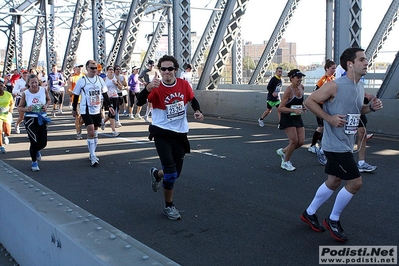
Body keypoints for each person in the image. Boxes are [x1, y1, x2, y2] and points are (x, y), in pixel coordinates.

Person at [300, 47, 383, 242]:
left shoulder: (359, 85)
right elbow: (310, 101)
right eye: (362, 59)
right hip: (334, 145)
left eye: (366, 59)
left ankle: (309, 213)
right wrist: (329, 118)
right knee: (355, 183)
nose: (366, 62)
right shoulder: (335, 85)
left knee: (333, 181)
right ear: (350, 64)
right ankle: (333, 219)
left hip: (346, 143)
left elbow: (357, 109)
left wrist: (370, 107)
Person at [137, 54, 204, 221]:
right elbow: (138, 102)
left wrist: (197, 111)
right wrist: (147, 89)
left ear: (176, 70)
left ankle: (156, 174)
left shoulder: (183, 84)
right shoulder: (155, 86)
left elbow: (192, 99)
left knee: (174, 173)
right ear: (160, 70)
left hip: (180, 134)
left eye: (170, 69)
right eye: (163, 69)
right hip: (161, 132)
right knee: (172, 174)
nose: (167, 72)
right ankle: (169, 206)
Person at [72, 60, 115, 166]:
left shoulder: (100, 80)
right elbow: (76, 95)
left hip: (97, 109)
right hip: (86, 109)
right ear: (87, 68)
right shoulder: (82, 81)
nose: (94, 70)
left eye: (96, 68)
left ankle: (92, 153)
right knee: (90, 131)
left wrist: (109, 106)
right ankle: (93, 156)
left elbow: (105, 94)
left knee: (95, 132)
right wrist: (74, 109)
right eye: (92, 68)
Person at [17, 74, 52, 171]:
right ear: (28, 83)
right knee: (34, 141)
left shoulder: (43, 90)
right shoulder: (26, 93)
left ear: (38, 82)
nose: (34, 84)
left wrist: (46, 105)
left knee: (43, 142)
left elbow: (49, 100)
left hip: (41, 118)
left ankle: (36, 151)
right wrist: (26, 109)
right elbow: (19, 107)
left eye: (36, 82)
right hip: (30, 119)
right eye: (32, 83)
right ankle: (34, 162)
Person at [276, 69, 306, 171]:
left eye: (301, 78)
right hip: (287, 117)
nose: (300, 80)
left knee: (301, 142)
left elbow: (300, 102)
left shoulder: (302, 88)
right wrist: (293, 110)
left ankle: (283, 151)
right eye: (298, 78)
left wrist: (303, 107)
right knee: (294, 141)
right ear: (291, 78)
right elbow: (281, 108)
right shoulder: (288, 91)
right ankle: (285, 162)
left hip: (297, 116)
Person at [308, 59, 336, 154]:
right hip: (319, 106)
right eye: (332, 68)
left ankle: (323, 144)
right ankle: (312, 145)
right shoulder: (322, 80)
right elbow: (314, 93)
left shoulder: (333, 79)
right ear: (327, 69)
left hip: (327, 106)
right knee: (321, 126)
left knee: (327, 126)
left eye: (335, 68)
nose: (334, 70)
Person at [102, 65, 122, 136]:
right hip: (108, 98)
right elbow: (102, 89)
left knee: (111, 113)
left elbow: (121, 87)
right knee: (112, 114)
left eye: (112, 70)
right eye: (110, 70)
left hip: (115, 97)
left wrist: (116, 84)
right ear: (107, 71)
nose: (111, 71)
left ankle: (103, 122)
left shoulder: (116, 78)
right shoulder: (104, 79)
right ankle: (114, 131)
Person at [67, 63, 84, 140]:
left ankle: (79, 126)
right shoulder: (72, 78)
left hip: (85, 100)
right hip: (77, 100)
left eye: (81, 67)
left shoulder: (85, 76)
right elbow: (68, 91)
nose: (80, 68)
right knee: (78, 117)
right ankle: (78, 132)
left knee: (84, 117)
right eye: (78, 67)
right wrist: (75, 92)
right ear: (75, 68)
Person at [12, 69, 29, 134]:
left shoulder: (30, 80)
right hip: (20, 99)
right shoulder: (19, 81)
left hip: (28, 99)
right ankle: (17, 124)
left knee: (28, 116)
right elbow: (14, 91)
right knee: (22, 117)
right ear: (21, 74)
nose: (25, 74)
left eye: (26, 73)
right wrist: (20, 90)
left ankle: (29, 131)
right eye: (23, 73)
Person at [0, 78, 14, 153]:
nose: (0, 87)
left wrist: (11, 108)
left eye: (1, 86)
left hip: (6, 114)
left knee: (8, 132)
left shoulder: (8, 95)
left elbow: (12, 103)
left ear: (4, 86)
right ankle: (1, 146)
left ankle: (5, 135)